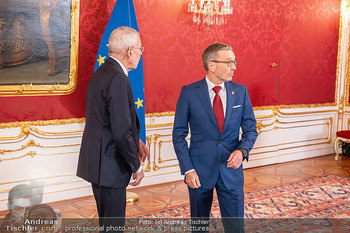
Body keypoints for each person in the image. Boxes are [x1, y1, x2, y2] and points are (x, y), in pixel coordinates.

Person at [172, 43, 258, 232]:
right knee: (199, 227)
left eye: (234, 62)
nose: (234, 66)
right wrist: (188, 170)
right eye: (229, 62)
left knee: (236, 228)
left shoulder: (240, 91)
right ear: (211, 65)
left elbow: (251, 129)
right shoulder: (189, 92)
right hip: (199, 173)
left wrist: (242, 151)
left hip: (231, 170)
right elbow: (178, 135)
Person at [76, 26, 149, 227]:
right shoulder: (118, 78)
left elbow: (109, 121)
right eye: (140, 49)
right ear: (130, 51)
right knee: (113, 226)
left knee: (106, 222)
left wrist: (137, 140)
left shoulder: (103, 72)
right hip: (111, 165)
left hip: (99, 163)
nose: (141, 54)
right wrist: (136, 165)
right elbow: (121, 131)